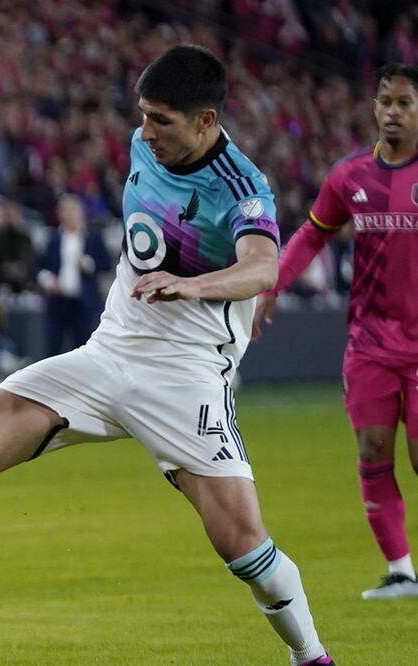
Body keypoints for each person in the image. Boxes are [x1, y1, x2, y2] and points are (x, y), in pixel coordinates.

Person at [0, 45, 334, 666]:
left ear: (206, 121)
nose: (145, 133)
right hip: (105, 356)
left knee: (244, 548)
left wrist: (195, 284)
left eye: (162, 121)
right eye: (143, 116)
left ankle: (310, 655)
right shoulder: (142, 146)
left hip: (187, 379)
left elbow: (262, 266)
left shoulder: (242, 185)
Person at [254, 62, 418, 601]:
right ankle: (401, 573)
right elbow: (310, 235)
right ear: (374, 107)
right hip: (370, 343)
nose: (393, 112)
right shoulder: (350, 175)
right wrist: (271, 285)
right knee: (373, 450)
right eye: (385, 101)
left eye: (405, 103)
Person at [36, 194, 112, 356]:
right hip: (58, 302)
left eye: (73, 210)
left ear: (81, 212)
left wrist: (87, 263)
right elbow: (39, 266)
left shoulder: (93, 237)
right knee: (53, 347)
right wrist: (48, 280)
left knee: (83, 347)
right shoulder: (53, 238)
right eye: (65, 210)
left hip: (84, 302)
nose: (69, 214)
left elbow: (106, 264)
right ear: (59, 214)